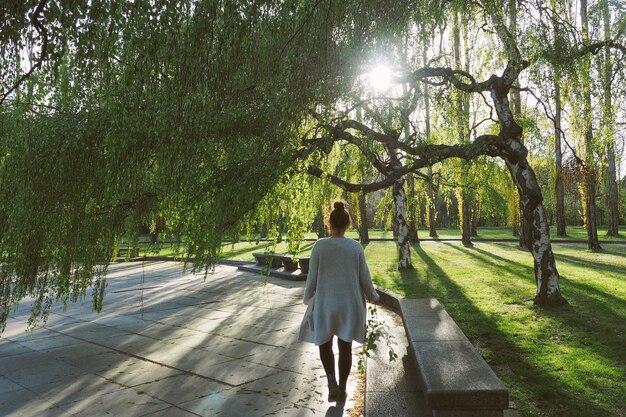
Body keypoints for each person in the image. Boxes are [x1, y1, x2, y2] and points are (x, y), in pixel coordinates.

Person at [298, 200, 380, 402]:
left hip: (326, 303)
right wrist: (373, 296)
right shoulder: (355, 247)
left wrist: (308, 297)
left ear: (330, 223)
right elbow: (364, 278)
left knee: (324, 344)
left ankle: (331, 383)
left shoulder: (320, 246)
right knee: (345, 346)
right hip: (349, 305)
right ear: (347, 224)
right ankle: (343, 388)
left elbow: (312, 277)